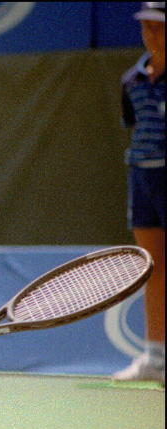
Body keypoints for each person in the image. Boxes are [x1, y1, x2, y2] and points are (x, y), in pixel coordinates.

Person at [114, 2, 165, 385]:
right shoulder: (131, 80)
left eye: (160, 27)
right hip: (143, 179)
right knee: (152, 267)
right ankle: (155, 357)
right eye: (147, 27)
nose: (153, 35)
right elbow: (133, 126)